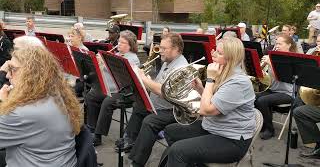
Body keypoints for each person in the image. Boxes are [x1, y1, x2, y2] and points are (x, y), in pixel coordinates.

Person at [162, 37, 255, 166]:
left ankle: (183, 159)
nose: (214, 54)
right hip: (214, 128)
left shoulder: (238, 82)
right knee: (170, 131)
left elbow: (206, 110)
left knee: (178, 150)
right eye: (215, 50)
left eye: (220, 53)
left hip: (231, 140)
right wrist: (201, 89)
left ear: (231, 59)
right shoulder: (223, 73)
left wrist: (210, 80)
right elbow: (215, 100)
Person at [0, 36, 83, 166]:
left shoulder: (21, 113)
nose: (7, 75)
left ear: (31, 73)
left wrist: (3, 103)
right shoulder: (57, 92)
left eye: (13, 69)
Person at [128, 33, 188, 167]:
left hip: (173, 110)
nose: (160, 51)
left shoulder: (180, 67)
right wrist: (146, 80)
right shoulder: (169, 61)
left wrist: (143, 78)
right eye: (160, 47)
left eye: (163, 48)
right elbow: (158, 83)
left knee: (150, 122)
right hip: (160, 105)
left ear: (176, 49)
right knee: (139, 105)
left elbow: (164, 91)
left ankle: (137, 162)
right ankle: (130, 140)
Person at [86, 30, 140, 146]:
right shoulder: (116, 54)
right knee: (91, 96)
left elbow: (125, 79)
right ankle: (91, 128)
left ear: (130, 45)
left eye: (123, 42)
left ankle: (98, 135)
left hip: (125, 91)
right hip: (112, 88)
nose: (119, 44)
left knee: (107, 102)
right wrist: (98, 63)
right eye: (119, 41)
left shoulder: (133, 59)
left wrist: (106, 63)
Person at [255, 34, 298, 140]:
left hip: (287, 93)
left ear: (288, 45)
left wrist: (270, 64)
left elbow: (280, 78)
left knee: (262, 101)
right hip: (272, 89)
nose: (277, 45)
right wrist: (261, 66)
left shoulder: (290, 60)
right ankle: (261, 124)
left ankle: (269, 129)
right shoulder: (274, 56)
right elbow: (264, 75)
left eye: (280, 43)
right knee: (253, 96)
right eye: (276, 43)